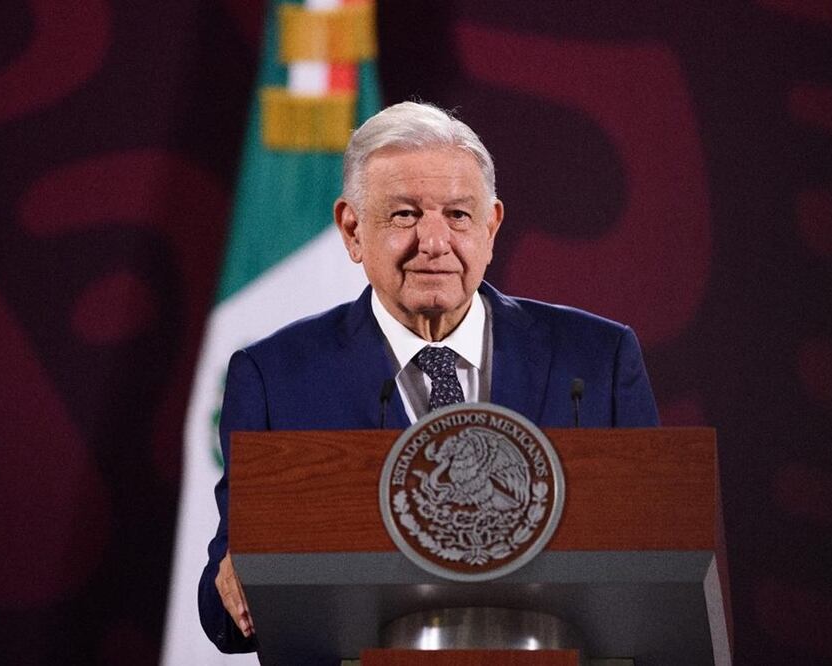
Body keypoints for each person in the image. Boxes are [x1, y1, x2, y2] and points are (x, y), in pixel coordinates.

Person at [198, 101, 660, 654]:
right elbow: (223, 600)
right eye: (404, 215)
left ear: (491, 228)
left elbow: (659, 558)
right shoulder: (277, 379)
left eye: (458, 216)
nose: (434, 243)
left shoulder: (597, 361)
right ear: (351, 229)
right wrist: (237, 584)